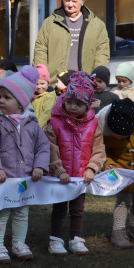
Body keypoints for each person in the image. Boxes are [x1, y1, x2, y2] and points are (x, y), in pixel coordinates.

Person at [0, 66, 49, 263]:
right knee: (2, 212)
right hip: (4, 178)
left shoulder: (31, 122)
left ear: (21, 102)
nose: (1, 101)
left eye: (7, 97)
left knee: (22, 213)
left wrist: (39, 166)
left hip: (25, 177)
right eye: (0, 96)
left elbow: (43, 146)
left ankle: (19, 243)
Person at [46, 72, 106, 256]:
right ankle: (55, 239)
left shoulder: (93, 125)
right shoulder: (55, 122)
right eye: (70, 101)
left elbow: (99, 149)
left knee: (78, 209)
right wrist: (58, 170)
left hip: (81, 176)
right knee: (59, 208)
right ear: (64, 98)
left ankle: (75, 238)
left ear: (87, 105)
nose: (73, 107)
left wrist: (92, 168)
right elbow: (49, 148)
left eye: (79, 104)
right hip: (61, 177)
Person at [99, 99, 134, 248]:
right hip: (121, 170)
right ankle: (118, 232)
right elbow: (100, 150)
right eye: (116, 134)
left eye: (124, 135)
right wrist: (107, 164)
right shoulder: (101, 127)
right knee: (124, 200)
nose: (120, 139)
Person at [33, 0, 110, 74]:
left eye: (74, 1)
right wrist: (42, 75)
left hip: (85, 82)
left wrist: (97, 77)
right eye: (67, 0)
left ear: (82, 2)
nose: (70, 4)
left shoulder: (97, 25)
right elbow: (40, 50)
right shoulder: (50, 23)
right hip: (56, 82)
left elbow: (102, 53)